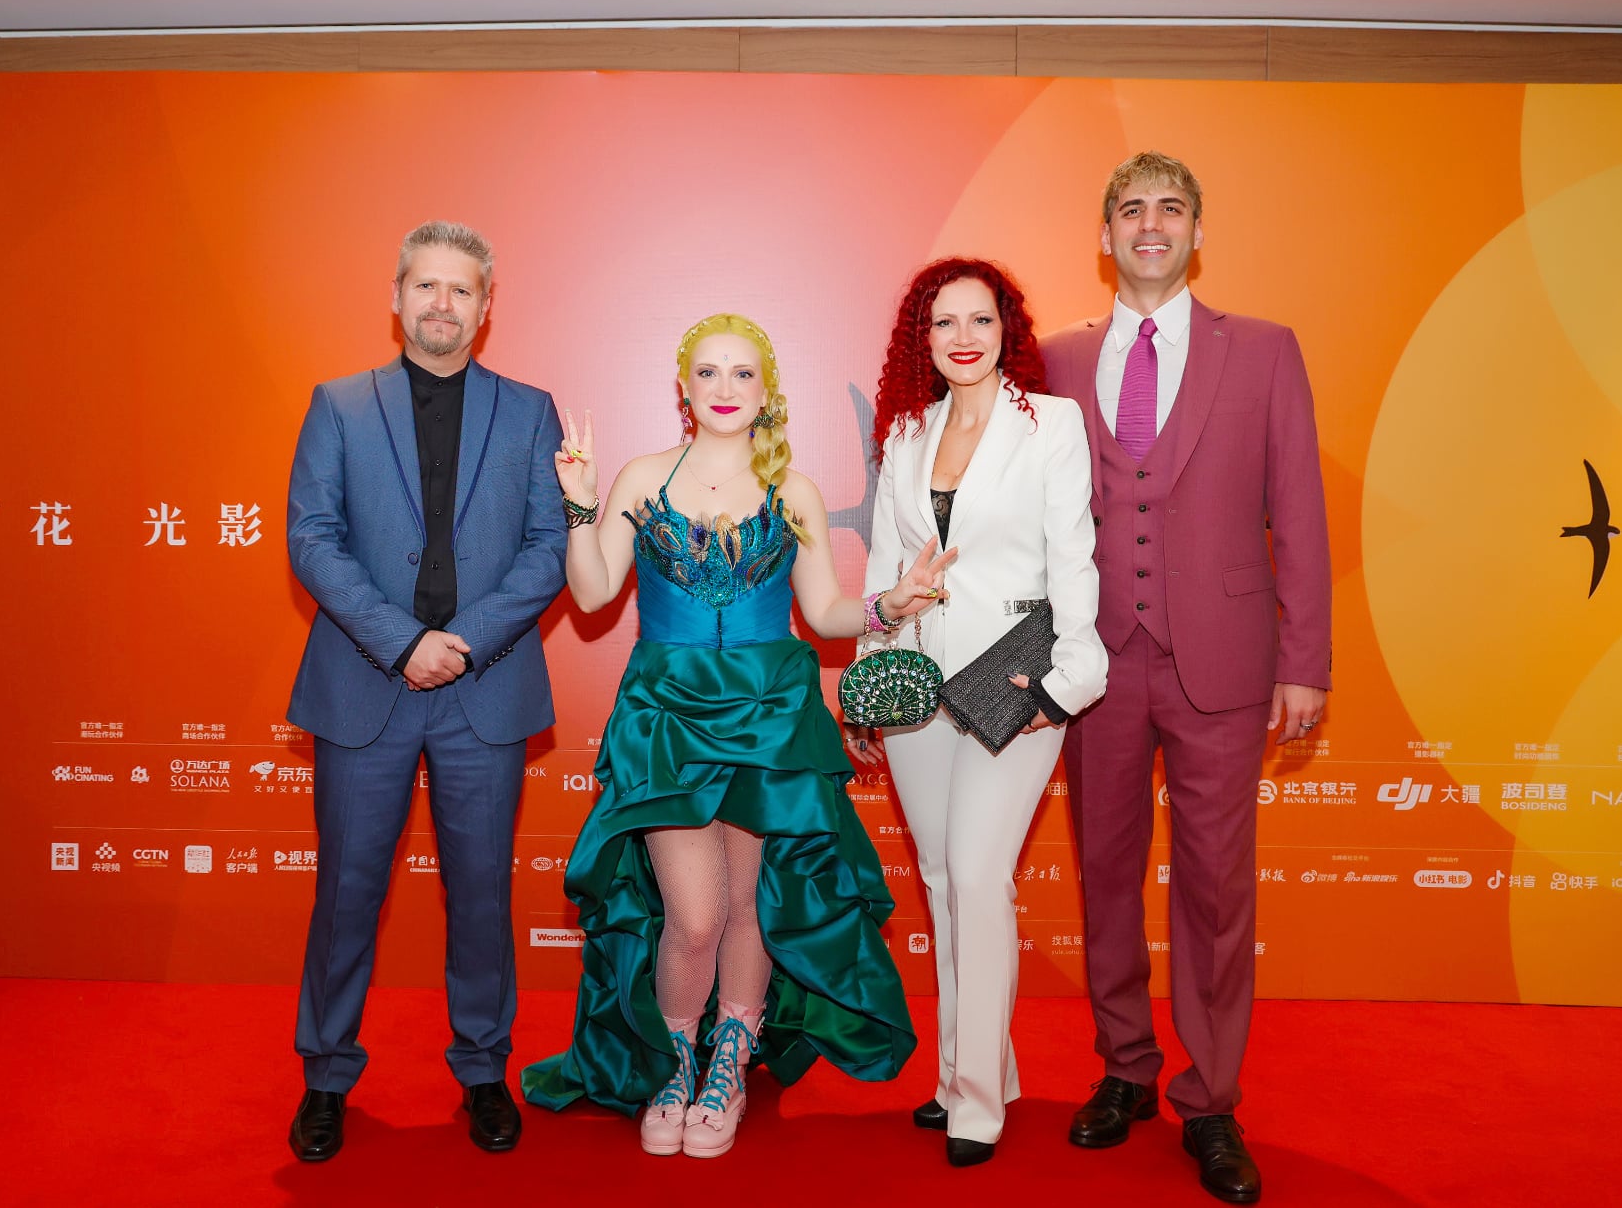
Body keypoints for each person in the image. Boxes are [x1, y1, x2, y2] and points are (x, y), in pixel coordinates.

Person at [521, 313, 938, 1158]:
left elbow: (823, 611)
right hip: (668, 716)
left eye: (742, 373)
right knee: (696, 914)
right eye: (707, 372)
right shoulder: (643, 476)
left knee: (749, 906)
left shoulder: (796, 490)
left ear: (766, 390)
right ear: (684, 386)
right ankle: (675, 1062)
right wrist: (579, 502)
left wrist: (887, 605)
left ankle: (728, 1066)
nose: (724, 388)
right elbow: (593, 593)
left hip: (769, 713)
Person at [1042, 152, 1331, 1205]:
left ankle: (1209, 1099)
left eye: (1170, 208)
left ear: (1197, 231)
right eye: (1131, 209)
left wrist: (1305, 659)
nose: (1150, 225)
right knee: (1105, 872)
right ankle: (1125, 1066)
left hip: (1225, 662)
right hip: (1095, 662)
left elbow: (1298, 508)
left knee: (1214, 888)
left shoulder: (1262, 349)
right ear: (1105, 234)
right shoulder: (1055, 359)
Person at [282, 221, 567, 1162]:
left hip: (482, 686)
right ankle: (326, 1075)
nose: (443, 303)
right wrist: (403, 642)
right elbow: (312, 538)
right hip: (365, 682)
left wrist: (462, 642)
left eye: (462, 289)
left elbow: (550, 547)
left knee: (481, 891)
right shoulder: (338, 405)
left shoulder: (530, 411)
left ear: (486, 308)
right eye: (426, 286)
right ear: (397, 296)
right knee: (346, 891)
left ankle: (484, 1068)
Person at [855, 257, 1107, 1167]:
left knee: (976, 873)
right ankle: (972, 1070)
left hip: (1014, 685)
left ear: (1008, 332)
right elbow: (887, 564)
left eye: (981, 320)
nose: (963, 337)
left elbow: (1072, 556)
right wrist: (871, 674)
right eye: (944, 323)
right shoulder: (907, 431)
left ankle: (975, 1102)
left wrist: (1066, 682)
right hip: (918, 683)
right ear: (920, 340)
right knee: (939, 879)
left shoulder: (1051, 423)